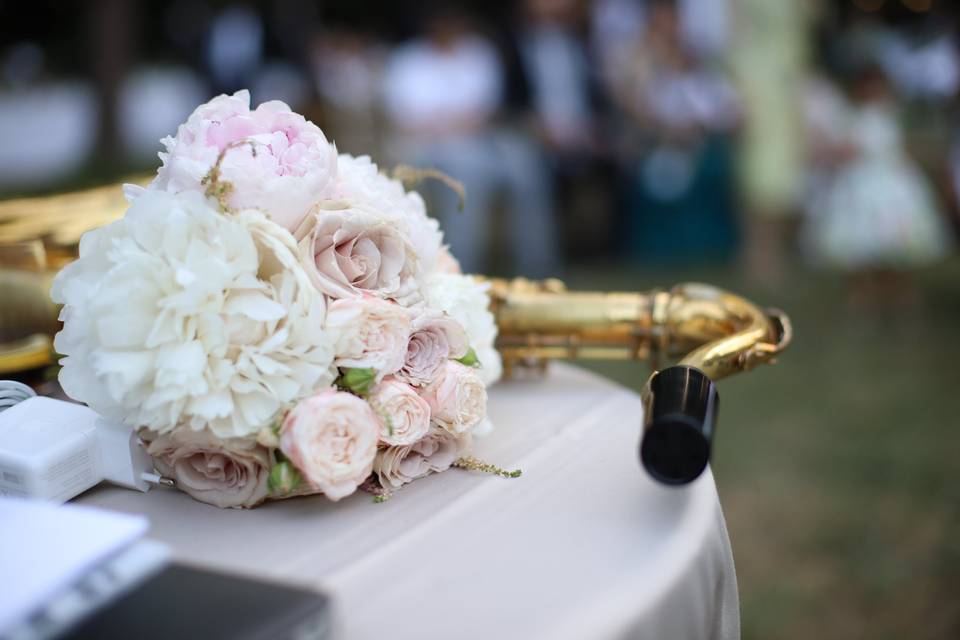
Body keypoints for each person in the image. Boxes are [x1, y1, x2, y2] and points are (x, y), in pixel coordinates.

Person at [383, 7, 560, 277]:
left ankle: (538, 267)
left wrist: (450, 121)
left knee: (526, 164)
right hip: (423, 145)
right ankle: (463, 268)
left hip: (479, 139)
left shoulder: (479, 51)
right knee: (470, 171)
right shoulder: (407, 59)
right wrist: (450, 123)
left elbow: (485, 110)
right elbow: (405, 119)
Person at [801, 63, 952, 310]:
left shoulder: (886, 117)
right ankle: (867, 293)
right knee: (865, 247)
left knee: (893, 243)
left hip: (889, 187)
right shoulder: (859, 118)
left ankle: (897, 293)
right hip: (864, 187)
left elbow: (893, 147)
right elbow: (846, 149)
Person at [611, 0, 740, 263]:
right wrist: (666, 130)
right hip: (652, 144)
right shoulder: (633, 60)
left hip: (698, 142)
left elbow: (720, 105)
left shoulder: (697, 61)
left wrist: (698, 127)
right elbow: (633, 106)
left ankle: (707, 247)